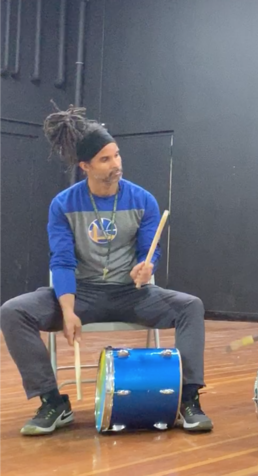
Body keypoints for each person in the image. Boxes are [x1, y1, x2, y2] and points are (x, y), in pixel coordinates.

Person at [0, 105, 212, 435]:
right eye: (105, 159)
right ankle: (52, 402)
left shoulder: (143, 200)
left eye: (116, 155)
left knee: (191, 306)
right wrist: (67, 310)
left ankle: (187, 399)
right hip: (80, 294)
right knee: (13, 312)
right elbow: (62, 260)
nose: (116, 165)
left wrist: (147, 267)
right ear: (85, 166)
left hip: (132, 294)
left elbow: (148, 251)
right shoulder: (64, 204)